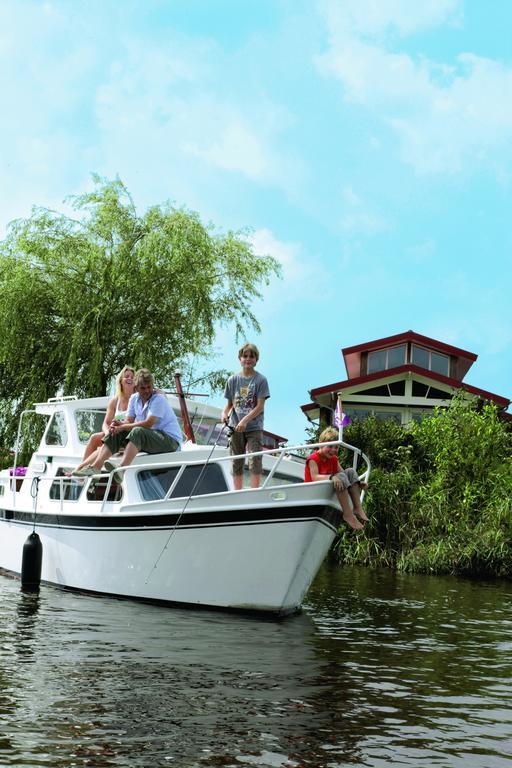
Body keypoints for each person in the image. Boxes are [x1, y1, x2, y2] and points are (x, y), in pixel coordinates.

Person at [74, 368, 182, 477]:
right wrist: (118, 425)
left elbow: (148, 423)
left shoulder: (158, 399)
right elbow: (129, 421)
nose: (147, 391)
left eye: (149, 387)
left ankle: (121, 470)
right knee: (116, 432)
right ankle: (95, 467)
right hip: (151, 437)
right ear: (136, 388)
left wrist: (123, 427)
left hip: (170, 441)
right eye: (143, 388)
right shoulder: (134, 399)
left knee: (137, 431)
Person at [222, 343, 270, 490]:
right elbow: (230, 404)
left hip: (254, 426)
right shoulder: (232, 380)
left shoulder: (260, 380)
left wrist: (245, 420)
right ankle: (238, 491)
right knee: (236, 459)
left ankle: (254, 490)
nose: (248, 359)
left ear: (256, 359)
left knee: (255, 459)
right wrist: (224, 413)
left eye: (251, 356)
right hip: (235, 426)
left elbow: (260, 406)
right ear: (240, 358)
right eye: (245, 356)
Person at [72, 366, 135, 474]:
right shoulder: (115, 400)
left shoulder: (136, 398)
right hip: (114, 432)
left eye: (132, 377)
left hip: (127, 433)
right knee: (94, 438)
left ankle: (83, 468)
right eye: (127, 376)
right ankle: (83, 471)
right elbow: (106, 423)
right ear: (120, 380)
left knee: (107, 442)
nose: (130, 378)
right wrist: (107, 432)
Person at [304, 427, 369, 531]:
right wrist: (332, 477)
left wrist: (358, 483)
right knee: (340, 476)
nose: (334, 450)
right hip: (313, 492)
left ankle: (357, 507)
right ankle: (347, 514)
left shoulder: (334, 459)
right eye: (330, 446)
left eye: (336, 447)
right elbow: (315, 477)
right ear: (321, 443)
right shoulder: (313, 459)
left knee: (350, 471)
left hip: (326, 492)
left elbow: (344, 474)